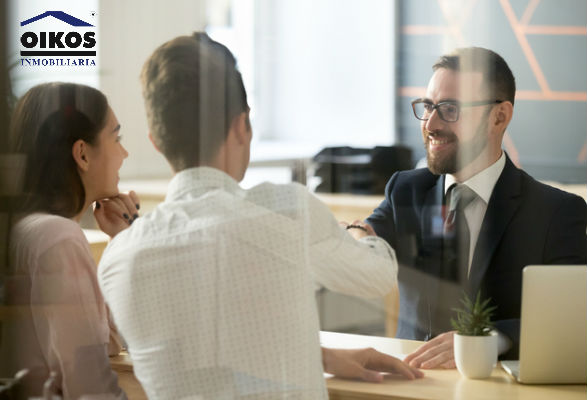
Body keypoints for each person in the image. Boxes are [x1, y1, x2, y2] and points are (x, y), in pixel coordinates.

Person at [98, 33, 422, 400]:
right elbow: (377, 277)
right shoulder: (285, 211)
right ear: (242, 125)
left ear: (156, 140)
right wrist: (360, 230)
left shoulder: (117, 258)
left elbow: (204, 356)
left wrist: (320, 356)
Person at [366, 47, 587, 368]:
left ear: (499, 116)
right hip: (411, 384)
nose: (431, 123)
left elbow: (574, 316)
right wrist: (357, 233)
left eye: (450, 109)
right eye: (428, 106)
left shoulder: (556, 212)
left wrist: (486, 338)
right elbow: (365, 245)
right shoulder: (405, 190)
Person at [0, 82, 140, 398]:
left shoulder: (29, 228)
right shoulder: (59, 238)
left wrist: (120, 239)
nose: (124, 153)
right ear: (82, 154)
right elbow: (90, 387)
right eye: (116, 138)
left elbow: (106, 344)